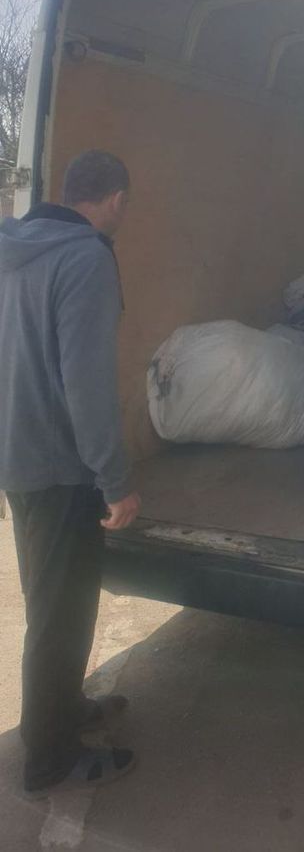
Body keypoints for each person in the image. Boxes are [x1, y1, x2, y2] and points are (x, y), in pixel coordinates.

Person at [0, 150, 141, 799]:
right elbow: (86, 384)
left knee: (50, 605)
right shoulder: (85, 258)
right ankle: (50, 758)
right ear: (115, 200)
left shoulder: (18, 250)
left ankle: (63, 708)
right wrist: (115, 480)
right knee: (61, 617)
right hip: (61, 468)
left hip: (20, 457)